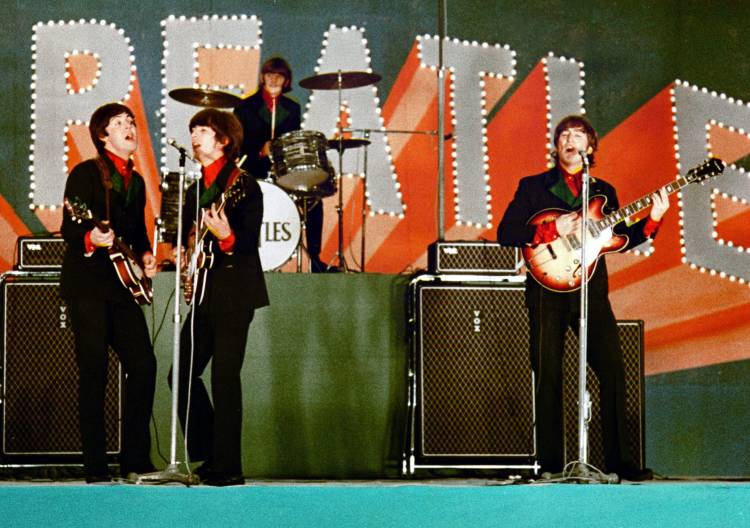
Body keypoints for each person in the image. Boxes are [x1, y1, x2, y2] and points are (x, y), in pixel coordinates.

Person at [497, 115, 670, 481]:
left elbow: (619, 239)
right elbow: (506, 231)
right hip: (546, 290)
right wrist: (550, 228)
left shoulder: (602, 191)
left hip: (591, 292)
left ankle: (621, 463)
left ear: (590, 146)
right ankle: (549, 465)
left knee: (612, 371)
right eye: (563, 134)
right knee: (547, 375)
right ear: (556, 144)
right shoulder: (532, 187)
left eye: (577, 134)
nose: (568, 139)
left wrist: (653, 219)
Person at [169, 108, 269, 486]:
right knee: (179, 372)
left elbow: (246, 241)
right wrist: (184, 252)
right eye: (192, 129)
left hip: (234, 291)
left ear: (224, 139)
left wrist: (227, 236)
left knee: (226, 377)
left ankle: (229, 467)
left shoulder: (244, 184)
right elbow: (188, 236)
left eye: (204, 130)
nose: (195, 136)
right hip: (204, 291)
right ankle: (209, 452)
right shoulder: (196, 190)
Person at [60, 102, 157, 483]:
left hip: (122, 287)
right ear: (103, 135)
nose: (130, 127)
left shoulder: (136, 180)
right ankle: (96, 466)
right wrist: (90, 236)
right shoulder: (85, 174)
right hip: (88, 285)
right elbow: (70, 226)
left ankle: (135, 458)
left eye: (131, 122)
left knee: (144, 365)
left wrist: (147, 255)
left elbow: (136, 233)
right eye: (120, 123)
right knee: (94, 372)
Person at [234, 56, 329, 272]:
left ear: (286, 81)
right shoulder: (245, 107)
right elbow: (237, 146)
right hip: (252, 171)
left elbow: (292, 141)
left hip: (282, 173)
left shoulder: (292, 107)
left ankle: (315, 259)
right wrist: (260, 150)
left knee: (314, 200)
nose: (274, 79)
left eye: (279, 75)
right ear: (262, 77)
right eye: (270, 75)